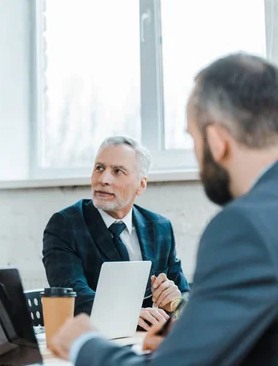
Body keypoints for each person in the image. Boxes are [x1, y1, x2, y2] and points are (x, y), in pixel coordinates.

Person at [50, 53, 278, 365]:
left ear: (216, 141)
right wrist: (181, 334)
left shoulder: (243, 226)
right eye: (99, 168)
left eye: (192, 138)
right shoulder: (66, 223)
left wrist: (83, 344)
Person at [42, 136, 189, 330]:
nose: (103, 180)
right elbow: (73, 293)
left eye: (117, 171)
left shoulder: (160, 227)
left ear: (141, 185)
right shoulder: (65, 225)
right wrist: (127, 314)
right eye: (99, 168)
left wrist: (175, 303)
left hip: (147, 342)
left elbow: (186, 302)